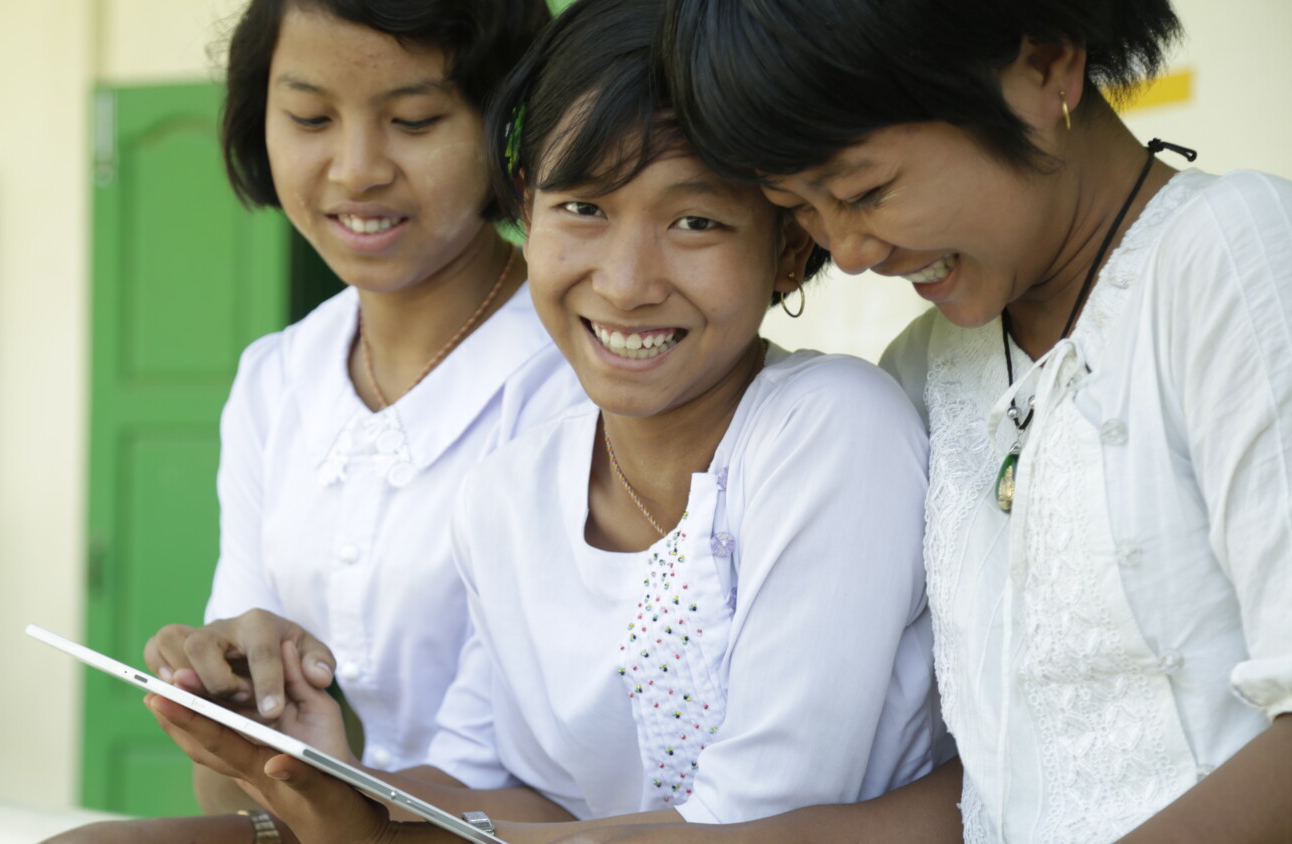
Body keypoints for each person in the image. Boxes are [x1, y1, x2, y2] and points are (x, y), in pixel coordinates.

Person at [142, 0, 950, 840]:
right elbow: (504, 792)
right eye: (584, 209)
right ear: (528, 206)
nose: (628, 280)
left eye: (696, 221)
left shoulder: (833, 433)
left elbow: (759, 818)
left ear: (790, 248)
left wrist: (382, 821)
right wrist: (326, 774)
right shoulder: (509, 493)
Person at [569, 0, 1292, 841]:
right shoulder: (925, 369)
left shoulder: (1235, 257)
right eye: (801, 206)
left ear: (1046, 65)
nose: (848, 251)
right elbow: (995, 778)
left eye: (866, 190)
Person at [46, 1, 583, 842]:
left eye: (413, 120)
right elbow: (233, 796)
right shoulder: (276, 378)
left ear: (509, 125)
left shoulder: (574, 381)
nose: (357, 168)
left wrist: (314, 789)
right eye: (309, 117)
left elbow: (530, 783)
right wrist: (229, 713)